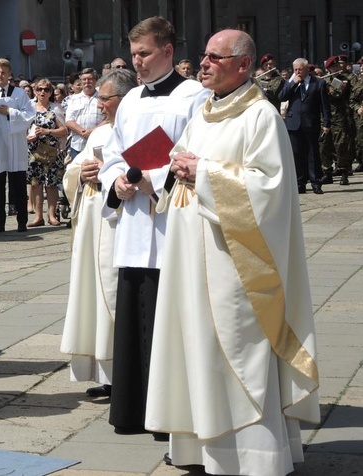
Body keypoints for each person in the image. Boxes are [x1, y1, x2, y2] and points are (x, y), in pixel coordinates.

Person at [145, 29, 319, 475]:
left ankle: (254, 456)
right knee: (195, 348)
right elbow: (178, 165)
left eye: (215, 57)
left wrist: (203, 174)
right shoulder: (202, 114)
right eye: (202, 55)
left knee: (238, 350)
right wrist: (165, 173)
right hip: (189, 256)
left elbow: (271, 190)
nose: (202, 63)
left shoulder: (261, 117)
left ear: (244, 64)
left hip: (236, 262)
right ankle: (195, 446)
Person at [98, 16, 210, 437]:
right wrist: (118, 181)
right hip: (133, 222)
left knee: (168, 318)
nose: (137, 63)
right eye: (133, 54)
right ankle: (133, 408)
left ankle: (170, 413)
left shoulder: (194, 97)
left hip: (169, 223)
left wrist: (154, 179)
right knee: (134, 315)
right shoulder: (129, 101)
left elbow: (196, 153)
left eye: (144, 53)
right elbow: (113, 153)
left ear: (168, 51)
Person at [61, 68, 137, 398]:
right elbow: (73, 171)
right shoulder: (97, 134)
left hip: (118, 224)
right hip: (91, 222)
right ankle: (106, 376)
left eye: (105, 99)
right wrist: (81, 172)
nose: (100, 104)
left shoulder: (137, 129)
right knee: (95, 295)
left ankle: (125, 373)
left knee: (115, 296)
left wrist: (107, 177)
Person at [0, 58, 35, 233]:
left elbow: (29, 115)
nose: (1, 75)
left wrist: (10, 111)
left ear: (9, 74)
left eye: (4, 72)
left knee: (18, 183)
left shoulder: (19, 93)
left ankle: (21, 220)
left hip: (14, 143)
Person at [278, 58, 331, 194]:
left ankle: (315, 182)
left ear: (307, 69)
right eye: (295, 70)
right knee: (296, 154)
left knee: (313, 153)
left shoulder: (318, 83)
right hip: (294, 123)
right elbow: (281, 97)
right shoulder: (291, 82)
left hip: (310, 123)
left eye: (300, 69)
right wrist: (292, 84)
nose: (297, 72)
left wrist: (326, 123)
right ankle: (300, 183)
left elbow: (325, 105)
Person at [26, 78, 67, 227]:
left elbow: (64, 130)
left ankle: (51, 215)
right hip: (33, 151)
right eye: (39, 89)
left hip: (51, 152)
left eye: (46, 89)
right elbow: (22, 128)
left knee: (51, 184)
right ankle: (38, 216)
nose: (43, 92)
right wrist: (27, 137)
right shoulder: (29, 107)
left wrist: (47, 131)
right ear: (35, 91)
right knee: (36, 184)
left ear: (51, 92)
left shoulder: (56, 108)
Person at [320, 55, 355, 186]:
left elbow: (337, 94)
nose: (335, 68)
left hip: (339, 117)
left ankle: (344, 172)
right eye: (332, 67)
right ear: (328, 69)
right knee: (324, 146)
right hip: (325, 117)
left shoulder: (343, 80)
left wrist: (328, 88)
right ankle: (327, 172)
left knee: (341, 145)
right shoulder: (322, 81)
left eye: (336, 66)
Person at [65, 68, 104, 158]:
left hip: (98, 144)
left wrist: (92, 132)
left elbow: (108, 118)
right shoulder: (73, 99)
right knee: (77, 171)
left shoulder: (102, 97)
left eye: (90, 79)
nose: (87, 82)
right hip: (77, 146)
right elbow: (69, 120)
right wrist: (83, 132)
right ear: (81, 81)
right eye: (84, 79)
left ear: (96, 80)